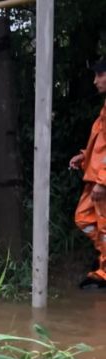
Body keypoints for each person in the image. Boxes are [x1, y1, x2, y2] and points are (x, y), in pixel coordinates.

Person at [70, 59, 106, 288]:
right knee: (84, 218)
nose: (95, 81)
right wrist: (85, 156)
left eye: (99, 75)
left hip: (101, 180)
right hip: (95, 177)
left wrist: (103, 180)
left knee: (104, 226)